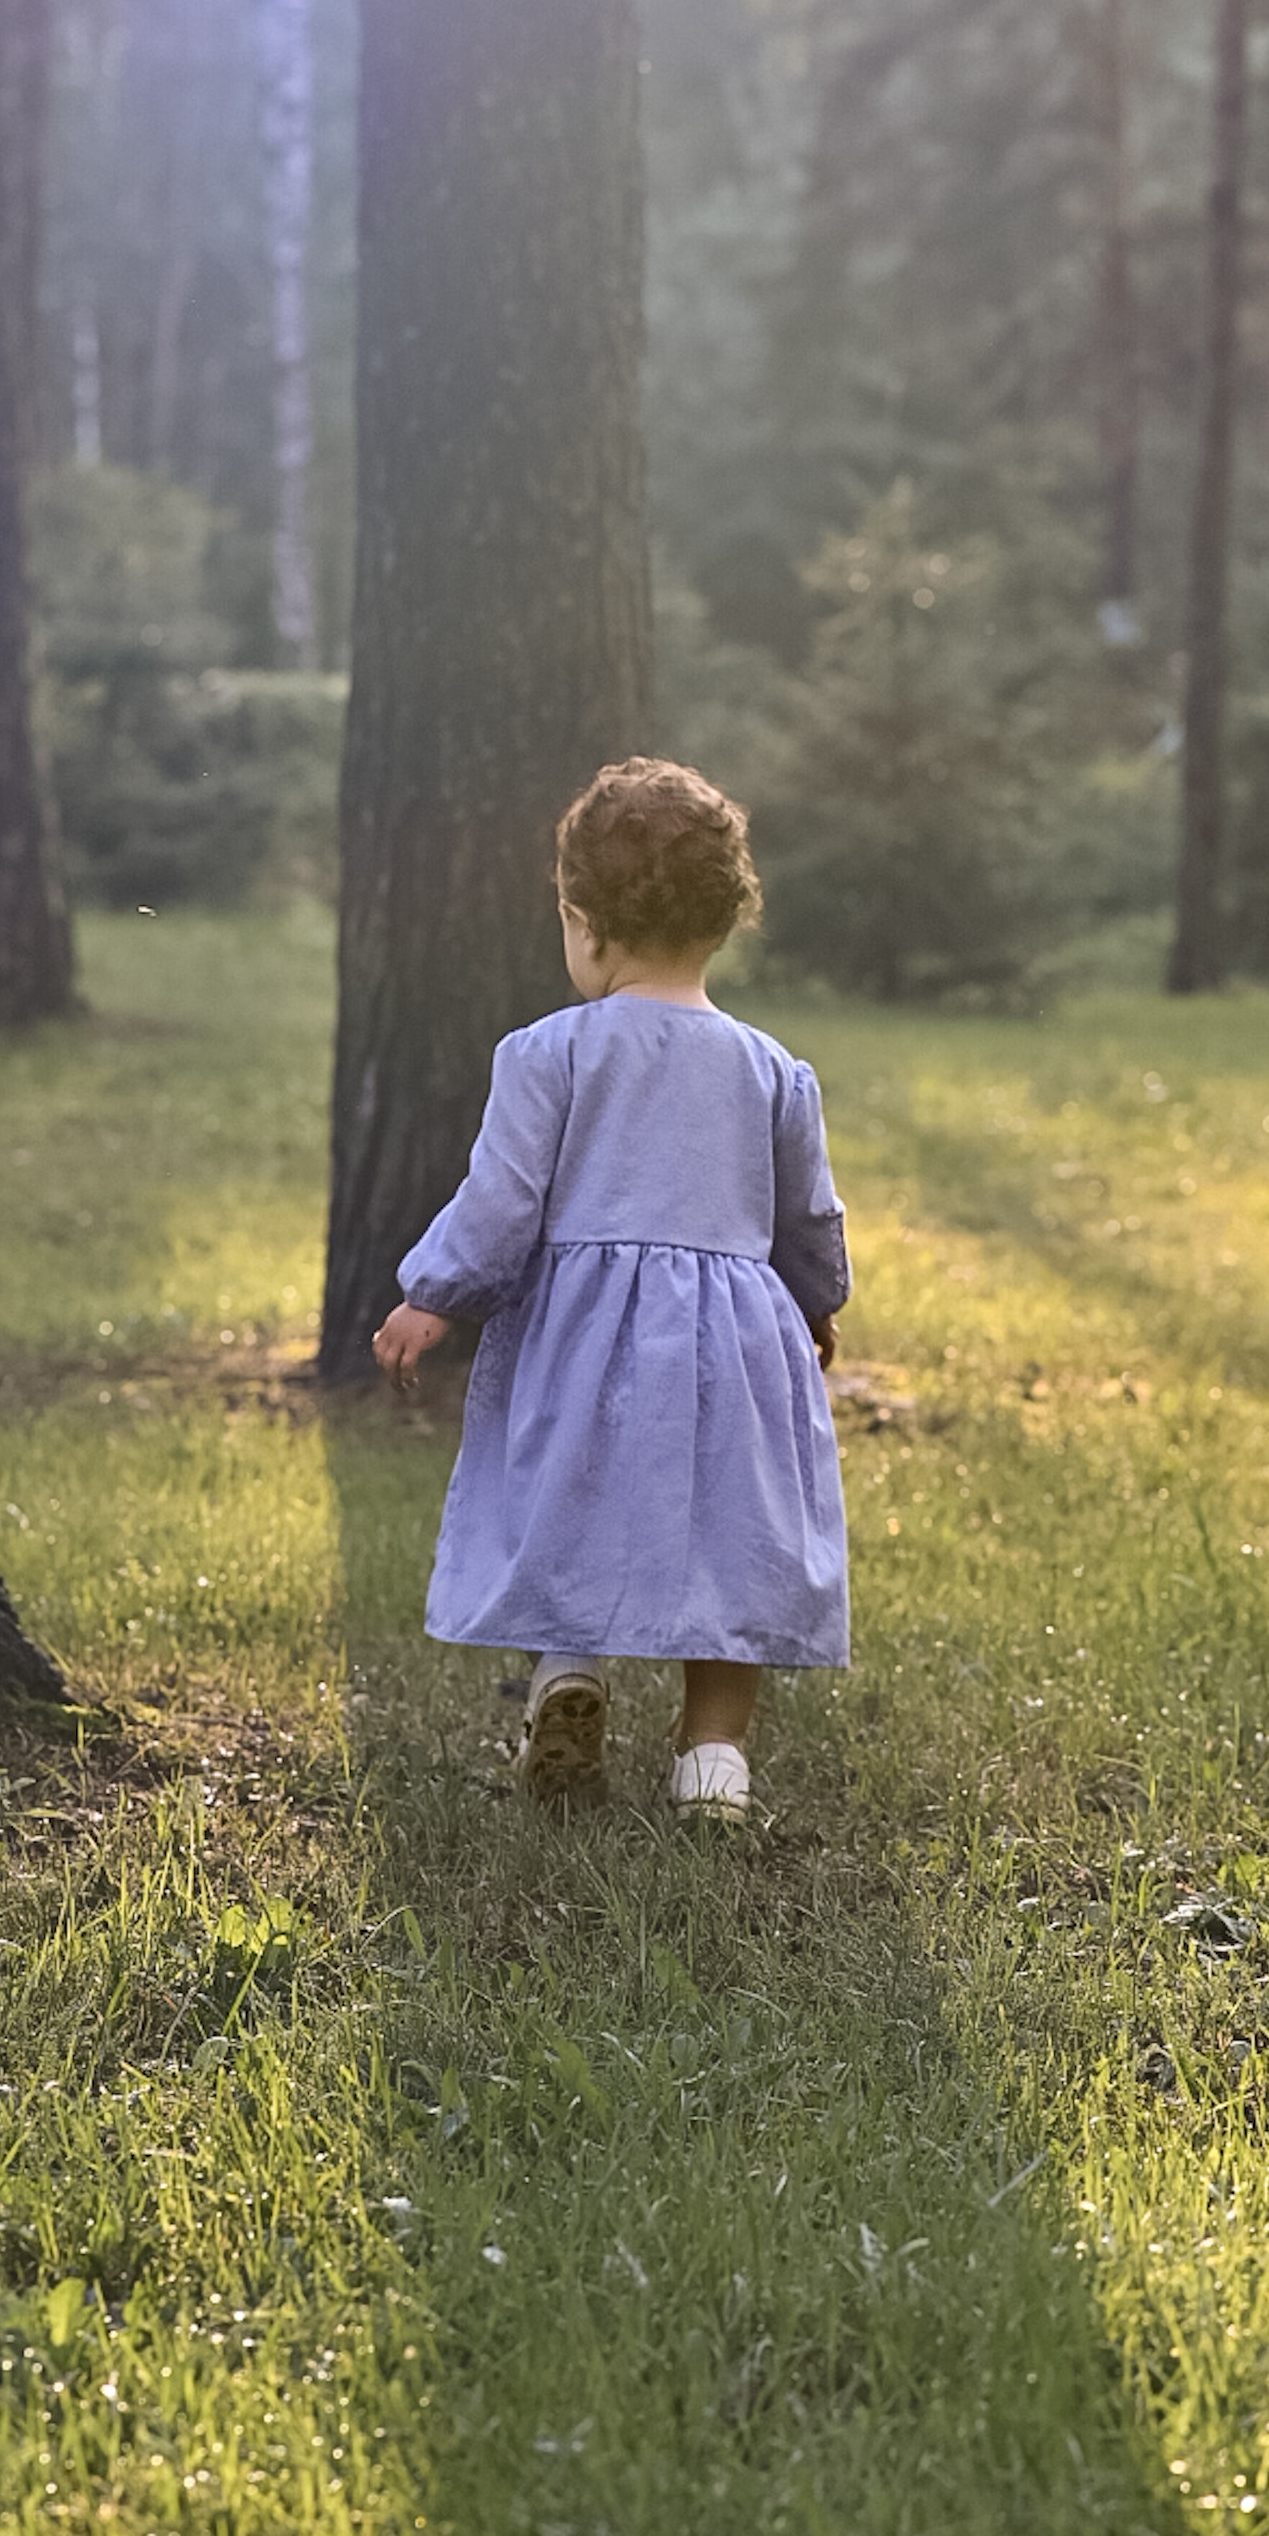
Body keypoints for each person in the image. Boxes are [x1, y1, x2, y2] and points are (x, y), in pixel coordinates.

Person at [371, 758, 849, 1824]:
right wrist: (818, 1301)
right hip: (734, 1343)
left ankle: (568, 1672)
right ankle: (713, 1761)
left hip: (581, 1338)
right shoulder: (773, 1070)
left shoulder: (548, 1053)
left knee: (570, 1497)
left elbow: (501, 1201)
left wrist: (432, 1294)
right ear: (722, 920)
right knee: (734, 1535)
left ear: (585, 926)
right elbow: (808, 1215)